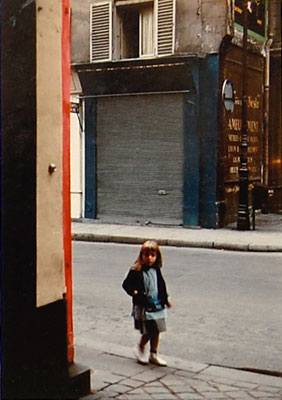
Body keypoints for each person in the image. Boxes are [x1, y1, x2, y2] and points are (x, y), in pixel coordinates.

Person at [122, 240, 172, 366]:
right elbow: (126, 285)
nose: (149, 258)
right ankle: (140, 347)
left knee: (158, 329)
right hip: (144, 306)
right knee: (150, 330)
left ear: (157, 257)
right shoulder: (136, 270)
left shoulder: (156, 270)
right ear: (141, 256)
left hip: (157, 305)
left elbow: (161, 285)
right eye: (146, 255)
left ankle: (153, 354)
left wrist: (165, 299)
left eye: (152, 256)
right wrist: (135, 293)